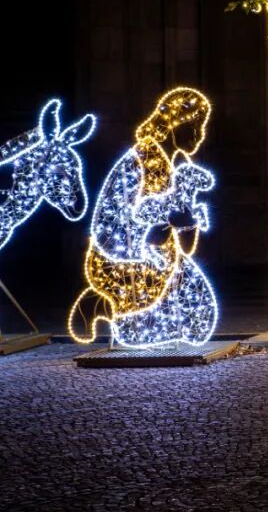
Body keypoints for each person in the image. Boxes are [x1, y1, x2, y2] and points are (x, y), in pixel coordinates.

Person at [70, 87, 218, 348]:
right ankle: (101, 302)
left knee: (200, 318)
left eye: (202, 127)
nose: (200, 134)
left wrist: (188, 222)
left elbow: (185, 244)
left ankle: (121, 306)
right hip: (124, 262)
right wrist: (171, 219)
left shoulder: (175, 166)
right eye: (194, 126)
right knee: (138, 333)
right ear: (173, 124)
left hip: (161, 260)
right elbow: (126, 223)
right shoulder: (148, 160)